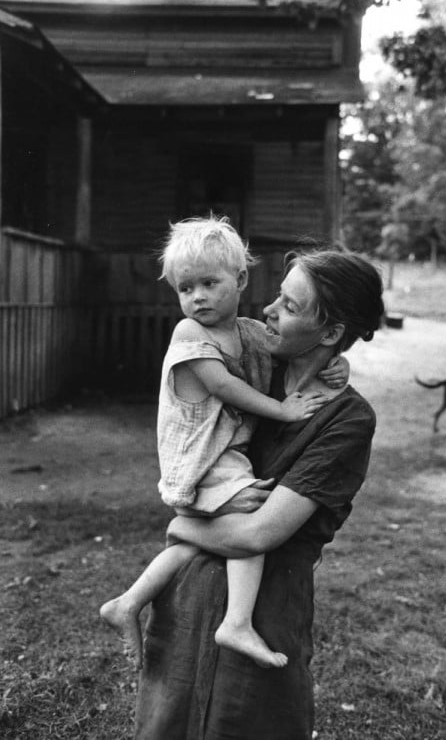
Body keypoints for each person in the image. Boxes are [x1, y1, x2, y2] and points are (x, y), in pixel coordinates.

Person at [133, 247, 385, 740]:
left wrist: (181, 524)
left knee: (246, 724)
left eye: (289, 307)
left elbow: (258, 533)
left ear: (331, 333)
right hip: (188, 594)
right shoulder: (252, 368)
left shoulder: (348, 420)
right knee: (168, 723)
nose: (268, 311)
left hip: (265, 609)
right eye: (276, 297)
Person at [99, 217, 346, 671]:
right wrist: (283, 411)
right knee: (250, 518)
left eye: (209, 283)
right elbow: (224, 387)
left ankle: (128, 601)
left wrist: (336, 362)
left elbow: (291, 350)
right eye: (185, 287)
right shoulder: (189, 334)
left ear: (241, 279)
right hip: (201, 458)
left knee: (195, 544)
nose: (197, 297)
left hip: (221, 454)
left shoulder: (247, 332)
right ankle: (236, 621)